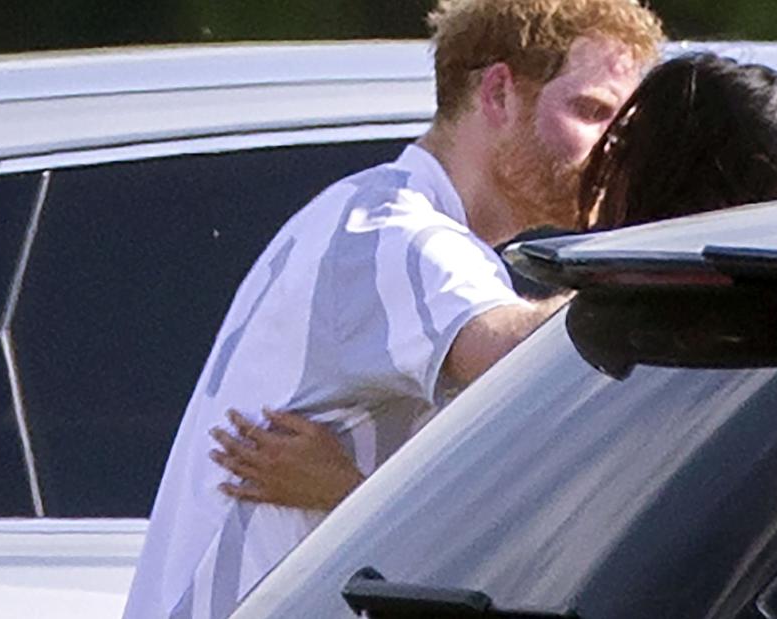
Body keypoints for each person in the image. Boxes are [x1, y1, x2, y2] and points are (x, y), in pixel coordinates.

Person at [123, 2, 664, 617]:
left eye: (627, 127)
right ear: (498, 94)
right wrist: (660, 261)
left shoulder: (368, 215)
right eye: (592, 112)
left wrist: (347, 494)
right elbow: (521, 353)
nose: (614, 149)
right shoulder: (395, 233)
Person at [209, 52, 777, 511]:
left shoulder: (654, 369)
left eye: (622, 137)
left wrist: (346, 498)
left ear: (668, 178)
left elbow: (527, 563)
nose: (601, 157)